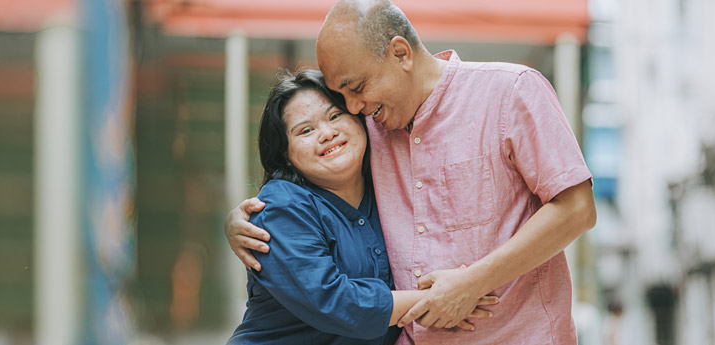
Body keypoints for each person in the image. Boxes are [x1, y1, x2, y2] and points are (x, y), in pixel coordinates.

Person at [224, 1, 598, 344]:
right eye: (342, 97)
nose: (352, 107)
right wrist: (240, 220)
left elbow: (577, 209)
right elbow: (310, 194)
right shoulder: (368, 126)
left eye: (356, 88)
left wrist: (473, 282)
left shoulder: (510, 91)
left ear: (401, 53)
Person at [228, 70, 498, 345]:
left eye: (335, 116)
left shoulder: (390, 192)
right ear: (285, 154)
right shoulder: (281, 206)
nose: (327, 133)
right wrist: (441, 299)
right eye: (306, 130)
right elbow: (334, 302)